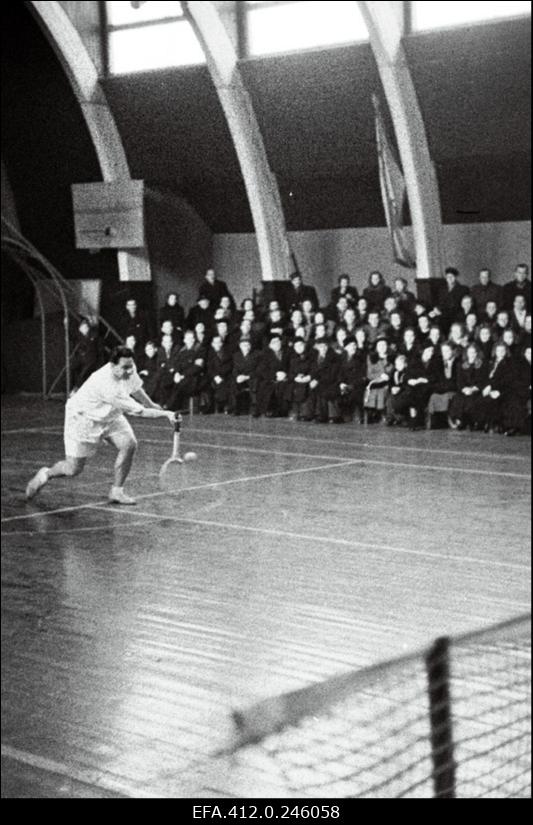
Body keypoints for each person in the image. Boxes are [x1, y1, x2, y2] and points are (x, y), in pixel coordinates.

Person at [25, 347, 176, 505]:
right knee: (73, 469)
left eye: (131, 366)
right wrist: (166, 414)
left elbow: (135, 387)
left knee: (129, 444)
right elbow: (139, 412)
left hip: (109, 415)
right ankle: (46, 474)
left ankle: (116, 491)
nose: (130, 371)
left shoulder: (128, 368)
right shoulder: (106, 386)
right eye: (125, 367)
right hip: (83, 419)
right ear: (112, 366)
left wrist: (151, 403)